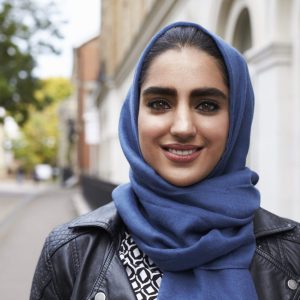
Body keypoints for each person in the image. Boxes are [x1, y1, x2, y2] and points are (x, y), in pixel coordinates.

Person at [30, 22, 300, 300]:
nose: (183, 127)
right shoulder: (72, 253)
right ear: (134, 115)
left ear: (237, 118)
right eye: (160, 103)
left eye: (207, 104)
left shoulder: (293, 253)